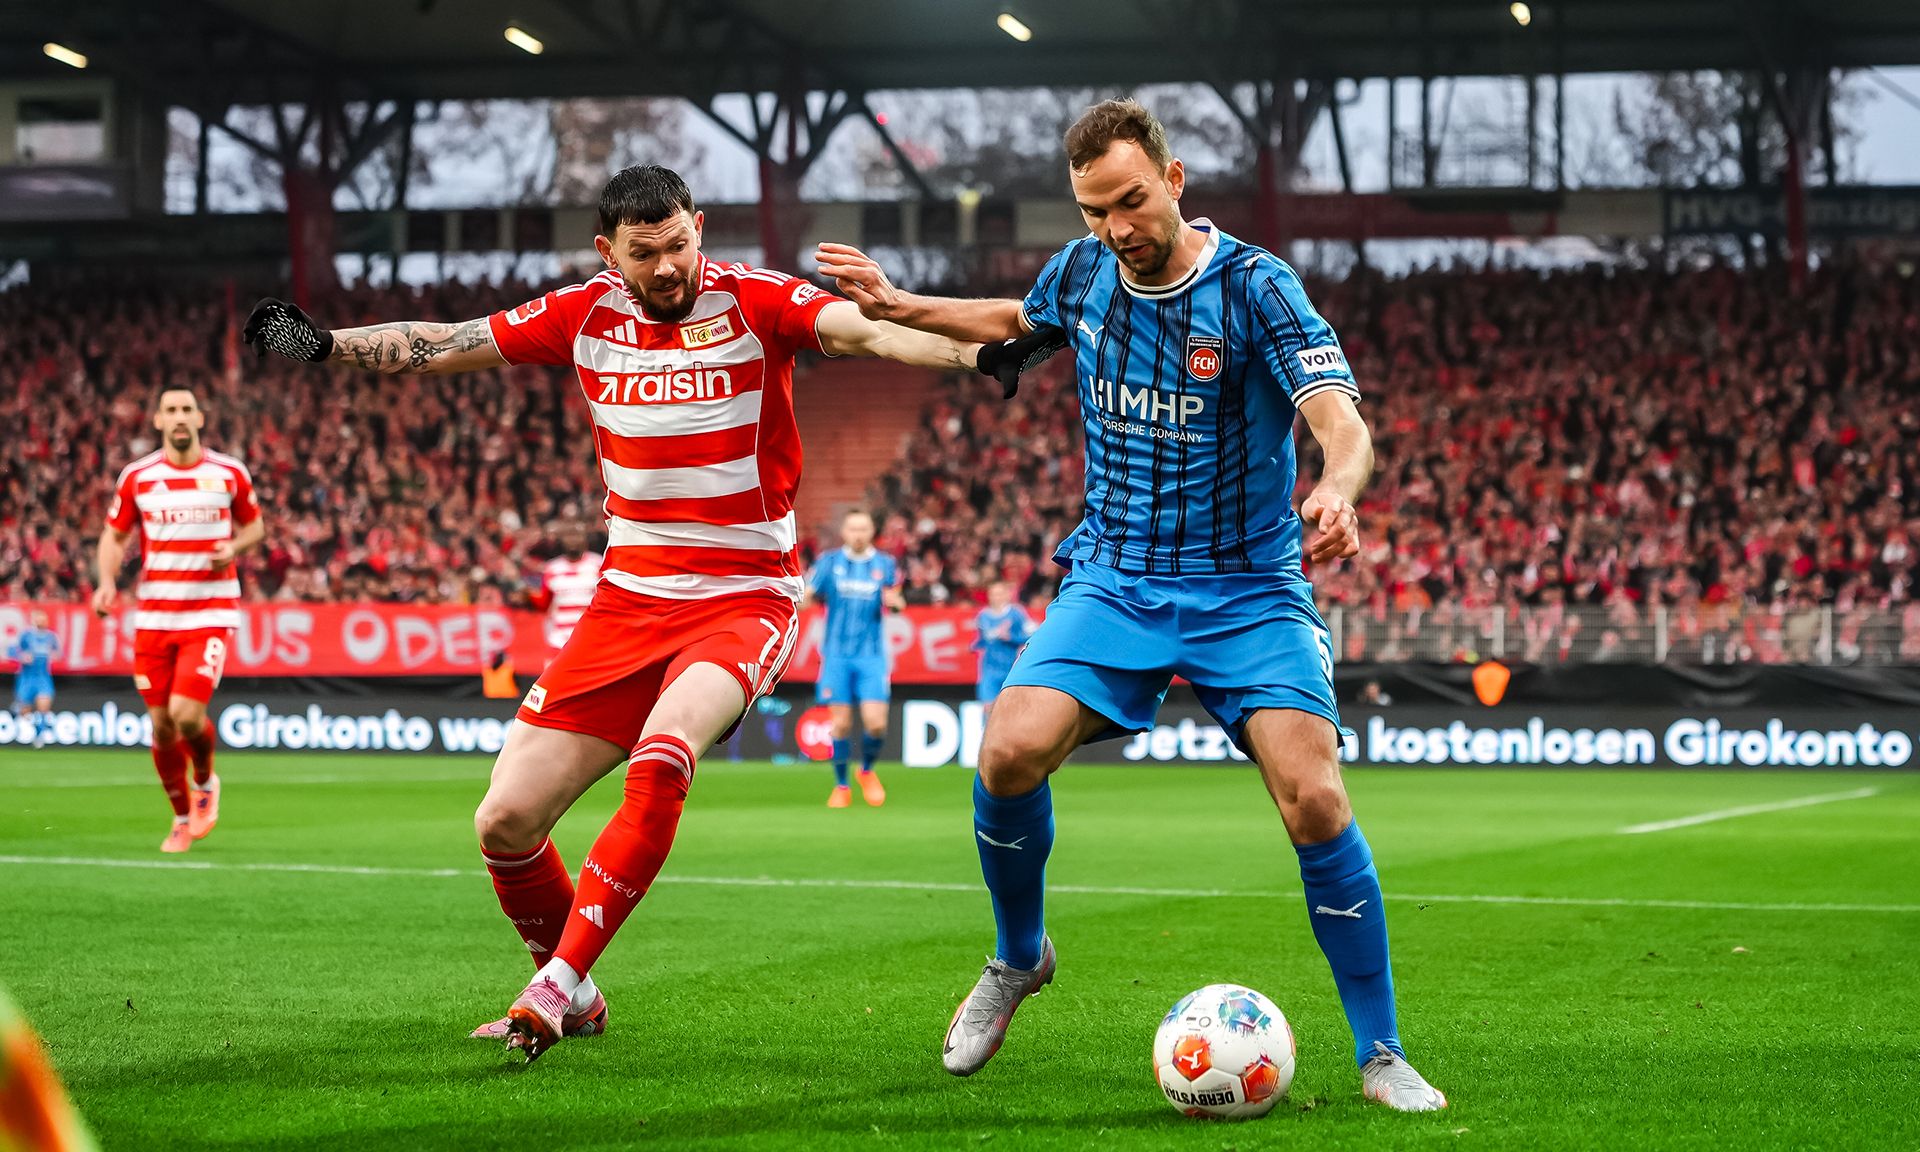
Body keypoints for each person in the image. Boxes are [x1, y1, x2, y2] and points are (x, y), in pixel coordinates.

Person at [244, 163, 1058, 1062]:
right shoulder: (582, 314)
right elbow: (445, 342)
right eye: (646, 253)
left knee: (667, 752)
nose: (669, 266)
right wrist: (325, 346)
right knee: (504, 823)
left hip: (746, 594)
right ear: (609, 252)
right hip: (626, 599)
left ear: (698, 229)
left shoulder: (754, 300)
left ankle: (553, 985)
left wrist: (977, 350)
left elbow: (865, 329)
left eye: (679, 244)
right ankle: (580, 992)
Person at [816, 99, 1446, 1111]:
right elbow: (1014, 325)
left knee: (1316, 797)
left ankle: (1380, 1050)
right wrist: (899, 302)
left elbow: (1341, 418)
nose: (1117, 228)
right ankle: (1019, 957)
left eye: (1132, 202)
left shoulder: (1255, 287)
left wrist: (1337, 485)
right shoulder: (1083, 273)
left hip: (1248, 585)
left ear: (1175, 179)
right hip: (1116, 574)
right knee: (1007, 750)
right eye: (1095, 211)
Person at [94, 387, 263, 853]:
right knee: (162, 726)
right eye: (171, 410)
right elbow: (114, 535)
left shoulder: (228, 472)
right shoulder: (138, 477)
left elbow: (256, 526)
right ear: (158, 421)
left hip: (209, 612)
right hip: (154, 615)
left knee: (186, 715)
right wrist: (107, 582)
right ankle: (182, 816)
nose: (180, 417)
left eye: (187, 409)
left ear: (201, 418)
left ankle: (206, 780)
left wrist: (234, 547)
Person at [805, 510, 901, 808]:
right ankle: (841, 786)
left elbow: (897, 599)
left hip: (871, 656)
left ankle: (867, 770)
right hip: (836, 655)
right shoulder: (829, 562)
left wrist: (895, 603)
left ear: (871, 531)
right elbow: (808, 596)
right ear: (844, 532)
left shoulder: (885, 564)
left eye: (863, 528)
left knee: (876, 725)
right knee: (841, 724)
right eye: (853, 529)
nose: (858, 534)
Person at [536, 523, 603, 662]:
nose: (573, 539)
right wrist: (527, 597)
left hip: (590, 639)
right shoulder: (552, 569)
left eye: (577, 535)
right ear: (561, 540)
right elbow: (544, 604)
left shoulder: (598, 564)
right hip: (558, 641)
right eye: (568, 535)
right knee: (552, 683)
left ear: (585, 539)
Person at [971, 582, 1035, 714]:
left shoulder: (1016, 614)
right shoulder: (983, 616)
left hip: (1010, 668)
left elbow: (1030, 636)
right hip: (989, 669)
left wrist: (1010, 637)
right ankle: (988, 734)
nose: (996, 597)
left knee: (1010, 709)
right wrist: (973, 646)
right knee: (988, 707)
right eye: (993, 594)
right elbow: (982, 640)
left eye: (999, 594)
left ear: (1007, 595)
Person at [7, 610, 60, 749]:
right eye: (39, 619)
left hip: (43, 676)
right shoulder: (26, 635)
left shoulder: (51, 637)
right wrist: (22, 656)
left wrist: (54, 655)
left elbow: (59, 653)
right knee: (25, 711)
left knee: (44, 706)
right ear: (34, 620)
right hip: (27, 677)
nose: (42, 622)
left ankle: (39, 736)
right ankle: (19, 710)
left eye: (44, 619)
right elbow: (11, 650)